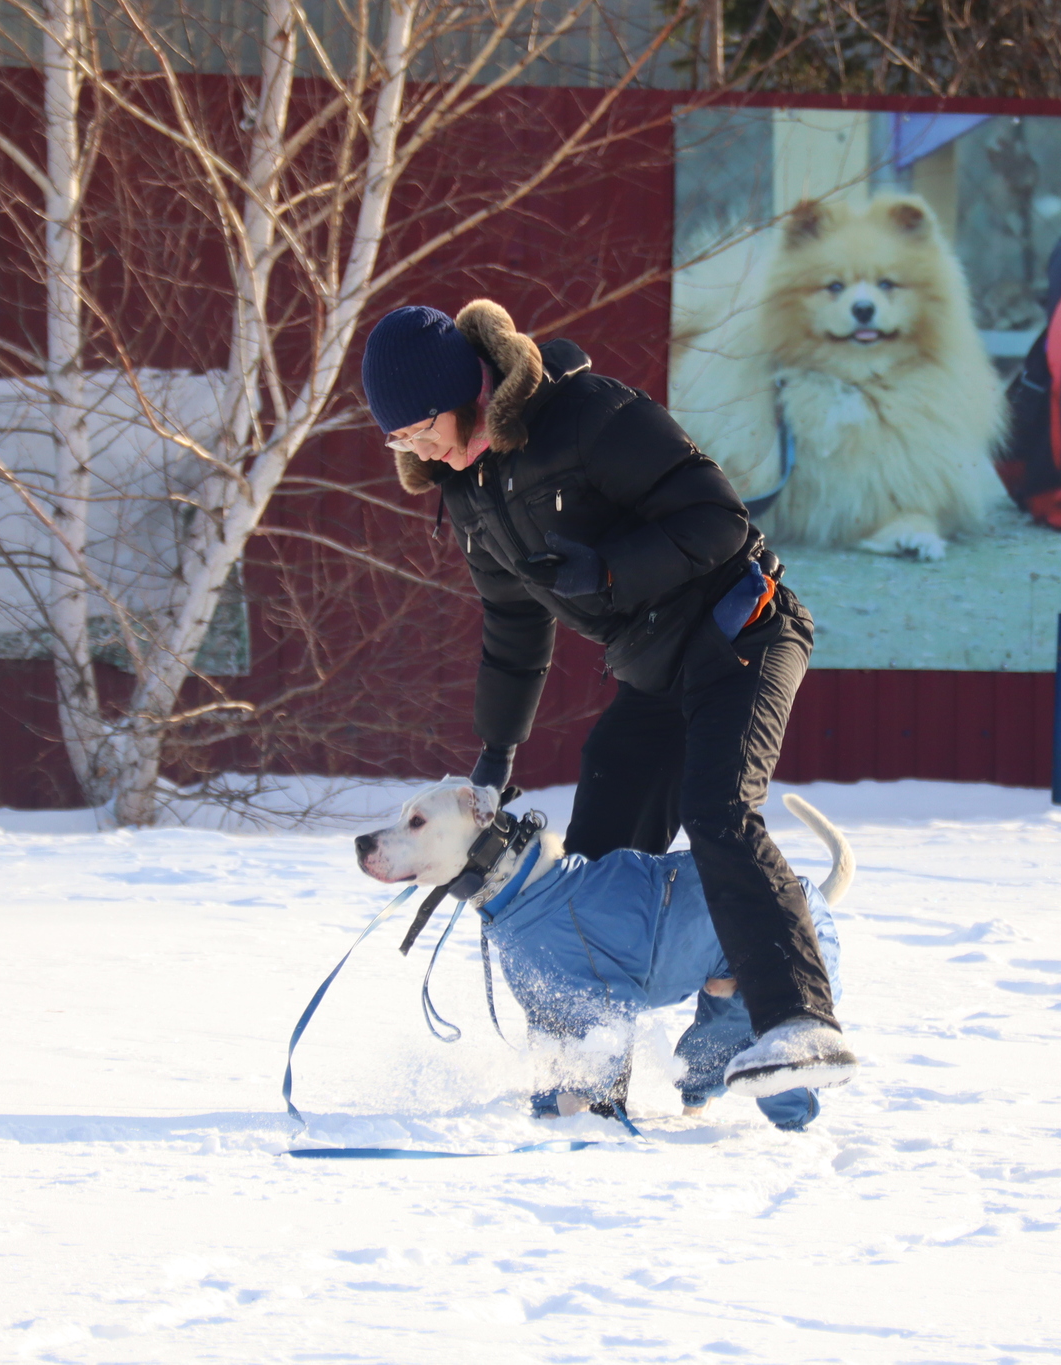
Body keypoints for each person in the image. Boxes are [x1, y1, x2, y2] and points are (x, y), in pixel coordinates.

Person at [358, 298, 857, 1099]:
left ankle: (793, 1015)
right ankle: (585, 1077)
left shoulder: (586, 415)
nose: (415, 450)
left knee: (718, 806)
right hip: (655, 665)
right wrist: (495, 757)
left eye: (418, 429)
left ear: (464, 392)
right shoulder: (468, 491)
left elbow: (718, 521)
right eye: (399, 442)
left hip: (743, 628)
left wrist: (611, 569)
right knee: (584, 864)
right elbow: (512, 626)